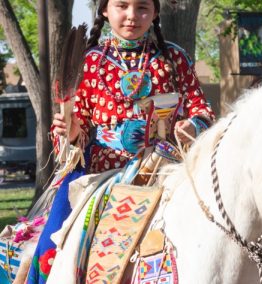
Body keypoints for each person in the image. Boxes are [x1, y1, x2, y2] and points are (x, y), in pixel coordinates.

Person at [27, 0, 214, 282]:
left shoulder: (174, 58)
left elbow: (202, 110)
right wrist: (74, 132)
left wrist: (193, 124)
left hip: (168, 170)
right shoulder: (89, 62)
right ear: (104, 10)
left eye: (142, 8)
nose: (132, 16)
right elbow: (77, 131)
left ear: (155, 13)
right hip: (104, 173)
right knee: (52, 244)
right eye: (122, 6)